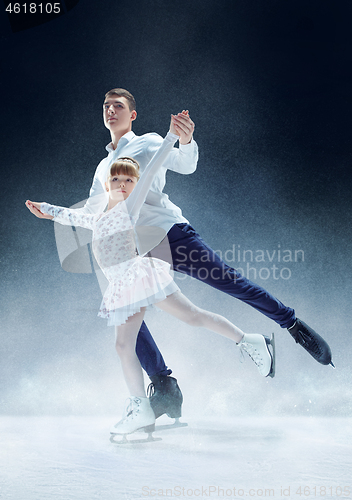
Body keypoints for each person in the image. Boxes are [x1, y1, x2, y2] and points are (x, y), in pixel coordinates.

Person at [31, 88, 333, 422]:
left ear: (132, 114)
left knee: (227, 282)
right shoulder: (102, 168)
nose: (110, 110)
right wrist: (52, 211)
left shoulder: (146, 142)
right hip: (135, 253)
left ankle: (290, 323)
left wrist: (185, 141)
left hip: (167, 233)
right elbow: (95, 210)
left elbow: (184, 164)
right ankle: (164, 388)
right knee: (128, 316)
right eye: (106, 106)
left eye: (118, 106)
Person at [26, 122, 275, 437]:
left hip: (134, 280)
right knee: (193, 316)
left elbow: (155, 163)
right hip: (138, 279)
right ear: (107, 185)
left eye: (127, 180)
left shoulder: (130, 208)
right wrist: (46, 210)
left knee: (122, 345)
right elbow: (70, 216)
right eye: (115, 179)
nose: (120, 184)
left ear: (134, 186)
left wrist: (172, 136)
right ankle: (251, 341)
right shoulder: (97, 217)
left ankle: (140, 408)